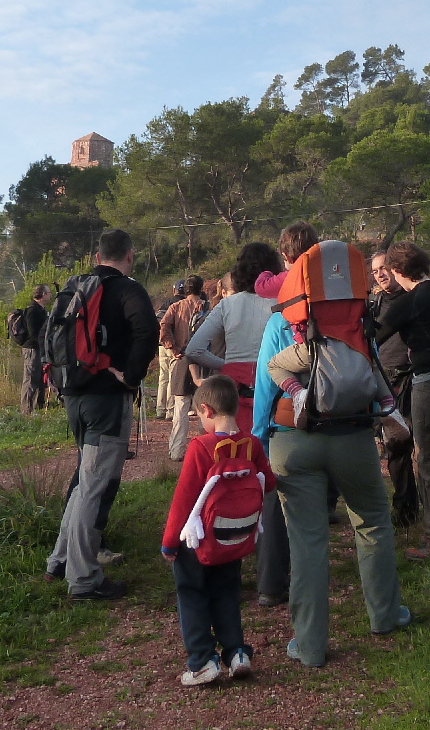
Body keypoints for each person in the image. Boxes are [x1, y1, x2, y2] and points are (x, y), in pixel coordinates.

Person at [252, 223, 410, 669]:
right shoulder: (357, 321)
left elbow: (266, 386)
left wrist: (260, 439)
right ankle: (385, 616)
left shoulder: (280, 320)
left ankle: (309, 645)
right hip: (352, 434)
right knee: (373, 522)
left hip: (292, 440)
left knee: (306, 540)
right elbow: (372, 372)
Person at [45, 228, 160, 601]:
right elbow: (148, 329)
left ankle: (60, 560)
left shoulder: (76, 287)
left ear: (97, 257)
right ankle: (83, 579)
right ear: (129, 255)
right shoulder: (127, 289)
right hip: (106, 400)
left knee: (84, 482)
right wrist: (131, 375)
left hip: (73, 396)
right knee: (94, 487)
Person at [186, 240, 285, 606]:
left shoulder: (228, 305)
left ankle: (225, 567)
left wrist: (226, 366)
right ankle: (271, 581)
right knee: (269, 484)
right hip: (275, 394)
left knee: (227, 479)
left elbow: (194, 349)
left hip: (236, 399)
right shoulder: (281, 300)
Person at [161, 374, 274, 686]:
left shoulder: (201, 446)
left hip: (198, 540)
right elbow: (269, 483)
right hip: (234, 535)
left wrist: (170, 542)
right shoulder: (251, 444)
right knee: (226, 592)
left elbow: (184, 499)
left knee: (192, 593)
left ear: (207, 410)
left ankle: (202, 661)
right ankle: (237, 653)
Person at [383, 241, 430, 559]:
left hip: (429, 382)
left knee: (429, 462)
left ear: (397, 270)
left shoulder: (410, 300)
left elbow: (374, 336)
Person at [369, 253, 418, 530]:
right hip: (383, 380)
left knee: (418, 445)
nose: (380, 274)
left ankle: (426, 508)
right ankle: (404, 509)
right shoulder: (374, 304)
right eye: (375, 270)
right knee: (395, 446)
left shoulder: (413, 298)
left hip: (412, 377)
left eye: (384, 268)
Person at [160, 275, 209, 459]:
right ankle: (206, 451)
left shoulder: (176, 307)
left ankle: (176, 451)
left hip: (182, 358)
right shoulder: (208, 307)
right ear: (201, 289)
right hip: (204, 361)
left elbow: (163, 326)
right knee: (205, 409)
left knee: (180, 409)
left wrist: (172, 348)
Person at [20, 283, 53, 416]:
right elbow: (33, 332)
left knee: (40, 380)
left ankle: (38, 408)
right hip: (32, 349)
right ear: (43, 294)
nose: (50, 295)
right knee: (30, 379)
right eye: (49, 293)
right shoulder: (33, 310)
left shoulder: (41, 310)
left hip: (39, 349)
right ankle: (26, 411)